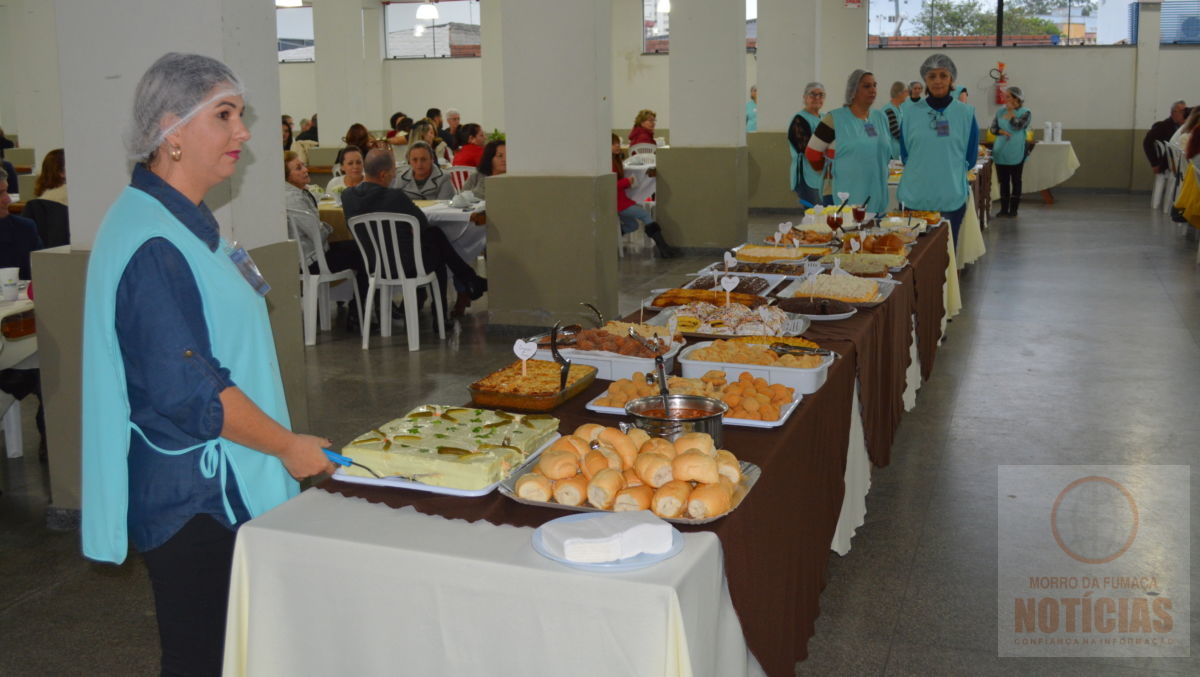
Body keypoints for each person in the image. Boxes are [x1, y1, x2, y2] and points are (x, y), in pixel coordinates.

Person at [80, 53, 335, 676]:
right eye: (224, 116)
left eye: (240, 116)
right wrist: (288, 447)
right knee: (203, 658)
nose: (243, 133)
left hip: (220, 481)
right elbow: (193, 391)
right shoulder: (153, 245)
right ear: (170, 131)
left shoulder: (185, 225)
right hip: (197, 497)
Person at [342, 148, 487, 321]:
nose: (395, 175)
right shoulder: (394, 197)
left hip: (372, 262)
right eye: (393, 171)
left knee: (434, 236)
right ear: (382, 174)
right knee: (436, 244)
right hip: (405, 264)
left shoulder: (347, 196)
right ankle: (443, 313)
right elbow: (421, 223)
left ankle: (468, 281)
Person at [897, 53, 979, 245]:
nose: (938, 81)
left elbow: (971, 157)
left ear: (952, 79)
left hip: (950, 195)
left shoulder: (965, 114)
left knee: (946, 255)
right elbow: (905, 154)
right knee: (915, 253)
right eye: (932, 76)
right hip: (916, 196)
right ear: (925, 80)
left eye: (943, 75)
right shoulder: (910, 113)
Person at [284, 151, 367, 325]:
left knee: (356, 248)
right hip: (311, 261)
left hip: (303, 258)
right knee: (365, 252)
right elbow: (316, 232)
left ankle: (357, 308)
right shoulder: (294, 198)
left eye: (303, 165)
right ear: (286, 175)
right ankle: (359, 313)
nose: (306, 170)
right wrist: (329, 227)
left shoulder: (293, 193)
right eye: (298, 168)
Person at [0, 166, 46, 461]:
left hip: (19, 322)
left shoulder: (23, 229)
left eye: (4, 191)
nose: (6, 199)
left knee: (51, 363)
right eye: (0, 194)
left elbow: (40, 277)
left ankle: (51, 436)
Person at [804, 70, 891, 216]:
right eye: (866, 86)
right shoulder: (834, 119)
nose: (873, 90)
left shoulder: (880, 118)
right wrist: (829, 173)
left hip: (875, 191)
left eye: (874, 85)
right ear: (853, 90)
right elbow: (812, 154)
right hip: (841, 194)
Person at [611, 133, 676, 258]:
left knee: (633, 225)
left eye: (618, 143)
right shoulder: (610, 164)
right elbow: (611, 185)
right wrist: (626, 182)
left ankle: (610, 237)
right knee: (645, 215)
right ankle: (663, 248)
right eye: (613, 144)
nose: (617, 146)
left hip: (621, 200)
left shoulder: (616, 161)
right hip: (619, 203)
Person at [989, 86, 1032, 218]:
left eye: (1007, 96)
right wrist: (1002, 131)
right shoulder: (1000, 112)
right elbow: (993, 128)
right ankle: (1003, 209)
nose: (1004, 99)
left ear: (1016, 98)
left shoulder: (1026, 112)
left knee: (1016, 180)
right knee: (1004, 181)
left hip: (1016, 150)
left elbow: (1018, 126)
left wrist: (1011, 113)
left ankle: (1013, 210)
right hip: (1001, 149)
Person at [787, 82, 829, 208]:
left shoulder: (825, 117)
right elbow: (807, 149)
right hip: (808, 176)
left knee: (826, 215)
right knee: (816, 215)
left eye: (821, 95)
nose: (817, 98)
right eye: (813, 94)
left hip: (824, 175)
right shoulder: (799, 120)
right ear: (805, 98)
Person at [1143, 100, 1187, 175]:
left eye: (1185, 112)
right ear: (1173, 113)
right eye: (1181, 112)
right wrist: (1154, 163)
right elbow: (1147, 142)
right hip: (1169, 164)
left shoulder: (1185, 127)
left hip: (1181, 160)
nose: (1184, 114)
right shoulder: (1162, 126)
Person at [882, 81, 907, 160]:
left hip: (897, 151)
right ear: (900, 93)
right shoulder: (889, 110)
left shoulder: (899, 108)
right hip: (890, 152)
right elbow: (896, 133)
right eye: (906, 92)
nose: (907, 94)